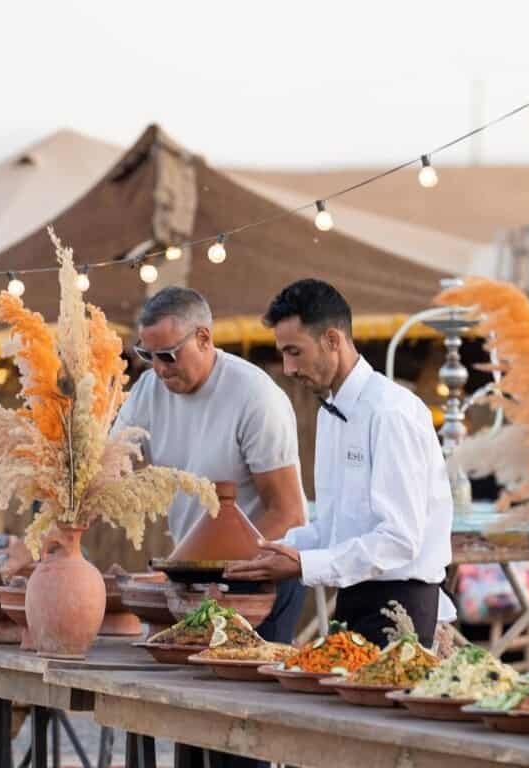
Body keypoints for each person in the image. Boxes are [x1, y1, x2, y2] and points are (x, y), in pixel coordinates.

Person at [112, 286, 307, 768]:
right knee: (192, 731)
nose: (158, 368)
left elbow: (288, 511)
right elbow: (113, 464)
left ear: (204, 337)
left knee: (239, 739)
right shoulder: (149, 389)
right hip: (194, 580)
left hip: (260, 579)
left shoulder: (255, 396)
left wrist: (227, 577)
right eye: (147, 355)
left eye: (167, 355)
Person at [226, 279, 454, 648]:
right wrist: (267, 550)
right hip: (351, 597)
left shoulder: (391, 412)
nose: (286, 367)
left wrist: (303, 565)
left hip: (403, 605)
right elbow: (334, 530)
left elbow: (399, 541)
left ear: (333, 340)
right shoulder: (330, 414)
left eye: (294, 352)